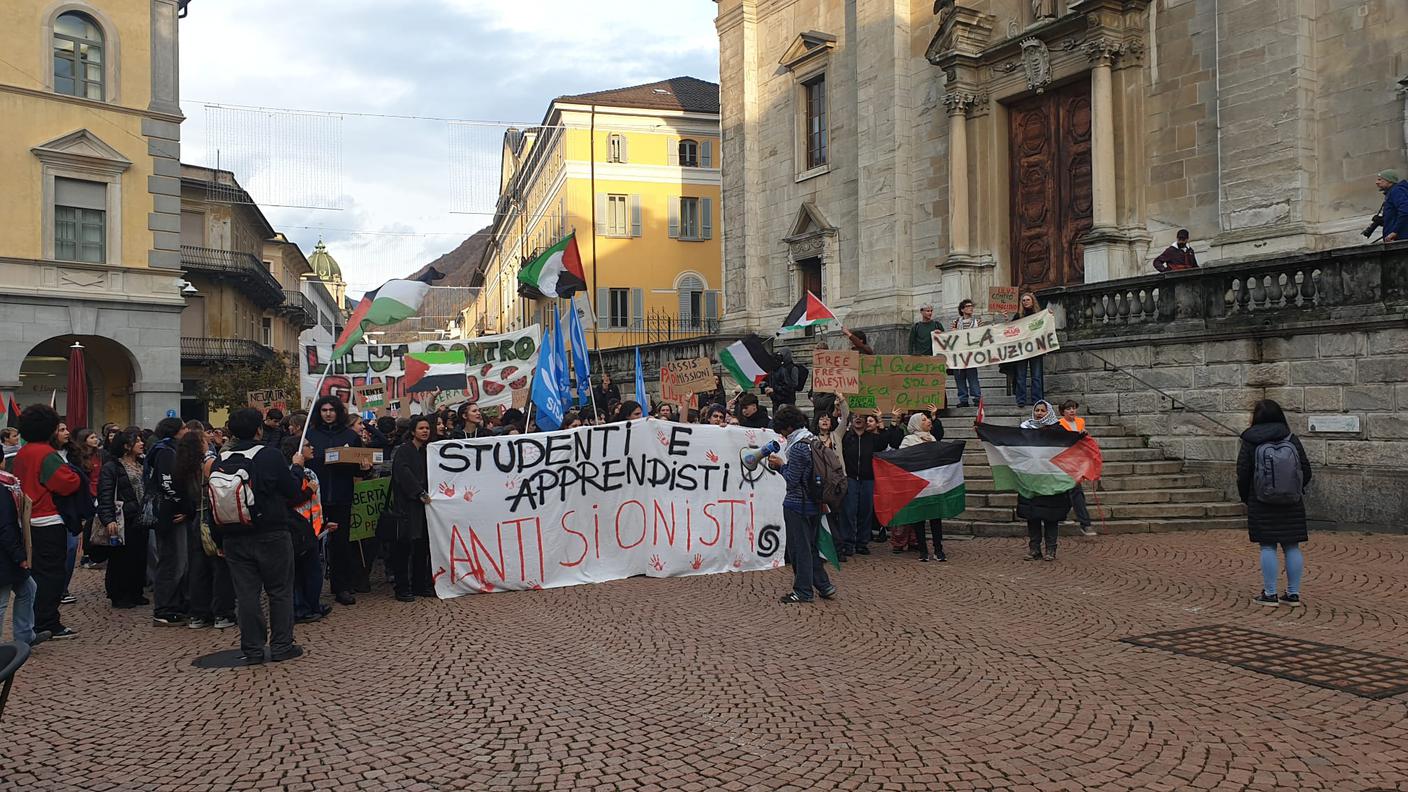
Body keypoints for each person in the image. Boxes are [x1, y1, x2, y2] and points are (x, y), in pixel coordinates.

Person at [215, 408, 305, 664]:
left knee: (246, 595)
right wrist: (297, 468)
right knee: (279, 591)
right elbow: (294, 493)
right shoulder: (270, 456)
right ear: (259, 429)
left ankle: (252, 649)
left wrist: (219, 539)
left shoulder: (221, 459)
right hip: (271, 533)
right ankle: (281, 645)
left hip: (233, 535)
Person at [12, 406, 81, 639]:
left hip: (29, 520)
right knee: (52, 574)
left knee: (38, 573)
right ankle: (48, 621)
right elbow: (67, 483)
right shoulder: (45, 453)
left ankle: (38, 619)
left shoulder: (23, 452)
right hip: (48, 519)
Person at [1237, 399, 1312, 607]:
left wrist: (1247, 497)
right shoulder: (1291, 437)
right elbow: (1305, 469)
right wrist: (1294, 489)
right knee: (1292, 545)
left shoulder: (1251, 440)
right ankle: (1293, 594)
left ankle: (1270, 594)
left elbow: (1243, 473)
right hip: (1291, 500)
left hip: (1261, 500)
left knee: (1267, 545)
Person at [306, 395, 369, 606]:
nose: (328, 414)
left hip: (342, 495)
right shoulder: (311, 435)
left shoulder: (350, 436)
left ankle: (341, 586)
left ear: (338, 412)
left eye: (331, 410)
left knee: (341, 543)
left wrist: (363, 466)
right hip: (315, 497)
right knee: (311, 544)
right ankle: (310, 589)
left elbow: (359, 464)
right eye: (324, 410)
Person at [769, 405, 836, 604]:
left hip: (798, 504)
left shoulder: (797, 448)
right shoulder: (812, 440)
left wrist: (781, 466)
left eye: (781, 430)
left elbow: (792, 479)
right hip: (814, 502)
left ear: (788, 428)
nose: (781, 435)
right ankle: (824, 585)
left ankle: (803, 591)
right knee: (811, 548)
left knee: (800, 550)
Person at [174, 428, 234, 630]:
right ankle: (222, 613)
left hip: (195, 518)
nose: (208, 440)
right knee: (219, 566)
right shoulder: (207, 464)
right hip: (210, 516)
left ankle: (199, 613)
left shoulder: (183, 466)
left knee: (198, 568)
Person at [96, 429, 150, 609]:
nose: (142, 444)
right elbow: (105, 494)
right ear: (126, 446)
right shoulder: (112, 467)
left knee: (139, 556)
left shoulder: (143, 464)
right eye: (137, 441)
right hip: (123, 517)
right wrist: (108, 518)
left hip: (141, 517)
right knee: (121, 558)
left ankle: (136, 591)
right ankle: (119, 593)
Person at [281, 435, 331, 624]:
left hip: (312, 529)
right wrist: (308, 490)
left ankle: (313, 604)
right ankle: (300, 608)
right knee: (298, 573)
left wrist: (323, 523)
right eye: (308, 445)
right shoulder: (288, 472)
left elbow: (316, 504)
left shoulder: (310, 472)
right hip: (296, 529)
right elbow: (290, 497)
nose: (312, 448)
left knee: (313, 572)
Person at [840, 411, 902, 556]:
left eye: (861, 417)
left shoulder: (873, 438)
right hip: (850, 478)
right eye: (855, 417)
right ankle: (848, 543)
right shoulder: (845, 437)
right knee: (849, 512)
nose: (858, 419)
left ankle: (862, 543)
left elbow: (887, 441)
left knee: (865, 511)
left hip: (868, 479)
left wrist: (883, 422)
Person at [0, 467, 47, 646]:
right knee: (2, 601)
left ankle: (25, 635)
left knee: (28, 589)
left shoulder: (7, 486)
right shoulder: (4, 489)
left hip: (7, 555)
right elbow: (6, 526)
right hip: (5, 556)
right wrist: (19, 556)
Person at [1018, 401, 1071, 561]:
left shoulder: (1058, 430)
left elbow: (1067, 448)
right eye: (1037, 410)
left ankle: (1051, 550)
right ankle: (1034, 549)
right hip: (1031, 478)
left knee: (1051, 517)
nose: (1039, 413)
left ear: (1048, 413)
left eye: (1042, 410)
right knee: (1032, 516)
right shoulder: (1025, 429)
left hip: (1050, 479)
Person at [390, 416, 435, 602]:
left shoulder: (427, 451)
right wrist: (419, 492)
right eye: (421, 428)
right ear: (413, 431)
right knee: (404, 547)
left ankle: (419, 584)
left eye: (427, 428)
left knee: (421, 547)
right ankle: (402, 587)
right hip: (408, 507)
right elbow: (404, 474)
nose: (425, 431)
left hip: (424, 507)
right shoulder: (404, 451)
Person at [896, 412, 947, 562]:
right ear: (917, 423)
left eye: (928, 419)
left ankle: (939, 549)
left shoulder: (932, 438)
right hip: (917, 485)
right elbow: (903, 457)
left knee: (935, 519)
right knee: (919, 519)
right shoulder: (908, 440)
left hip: (933, 484)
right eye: (924, 420)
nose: (928, 421)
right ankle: (923, 550)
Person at [1058, 400, 1098, 537]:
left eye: (1074, 408)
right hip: (1065, 461)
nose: (1072, 411)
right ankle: (1085, 523)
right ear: (1063, 411)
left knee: (1070, 490)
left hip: (1078, 460)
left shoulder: (1080, 421)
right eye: (1068, 409)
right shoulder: (1060, 424)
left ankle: (1061, 515)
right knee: (1076, 490)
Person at [1011, 292, 1046, 407]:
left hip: (1036, 349)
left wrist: (1049, 315)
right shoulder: (1018, 316)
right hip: (1022, 351)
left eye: (1028, 300)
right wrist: (1007, 318)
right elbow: (1010, 329)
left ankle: (1037, 400)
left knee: (1036, 376)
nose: (1025, 302)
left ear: (1033, 301)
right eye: (1023, 300)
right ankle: (1021, 400)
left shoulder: (1040, 314)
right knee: (1020, 376)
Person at [948, 299, 983, 407]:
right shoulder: (956, 322)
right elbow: (950, 338)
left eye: (972, 306)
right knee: (960, 377)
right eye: (968, 306)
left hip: (972, 355)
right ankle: (963, 399)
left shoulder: (977, 322)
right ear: (962, 309)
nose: (971, 308)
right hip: (958, 355)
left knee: (973, 377)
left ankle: (977, 398)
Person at [1374, 169, 1408, 242]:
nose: (1377, 182)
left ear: (1389, 180)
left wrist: (1395, 232)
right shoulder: (1393, 192)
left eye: (1380, 179)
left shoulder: (1396, 191)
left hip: (1401, 239)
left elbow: (1405, 211)